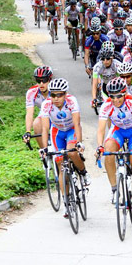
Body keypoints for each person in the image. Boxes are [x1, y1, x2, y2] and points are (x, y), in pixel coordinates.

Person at [39, 78, 91, 217]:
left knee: (73, 153)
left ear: (65, 94)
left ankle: (83, 172)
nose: (56, 98)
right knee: (61, 164)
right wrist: (44, 148)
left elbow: (77, 123)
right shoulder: (46, 105)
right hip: (57, 132)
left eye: (59, 95)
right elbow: (45, 129)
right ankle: (66, 202)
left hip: (71, 130)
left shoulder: (72, 102)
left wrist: (78, 142)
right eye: (53, 95)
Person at [96, 78, 132, 209]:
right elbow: (101, 129)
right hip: (118, 130)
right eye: (112, 96)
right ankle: (114, 189)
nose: (115, 100)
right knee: (108, 151)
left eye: (119, 96)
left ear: (124, 94)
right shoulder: (106, 105)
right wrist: (100, 146)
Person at [23, 66, 52, 148]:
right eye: (38, 81)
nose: (41, 84)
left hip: (57, 114)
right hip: (44, 114)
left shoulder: (55, 90)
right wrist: (28, 131)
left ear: (50, 79)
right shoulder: (32, 92)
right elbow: (29, 113)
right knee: (36, 124)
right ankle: (44, 152)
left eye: (44, 80)